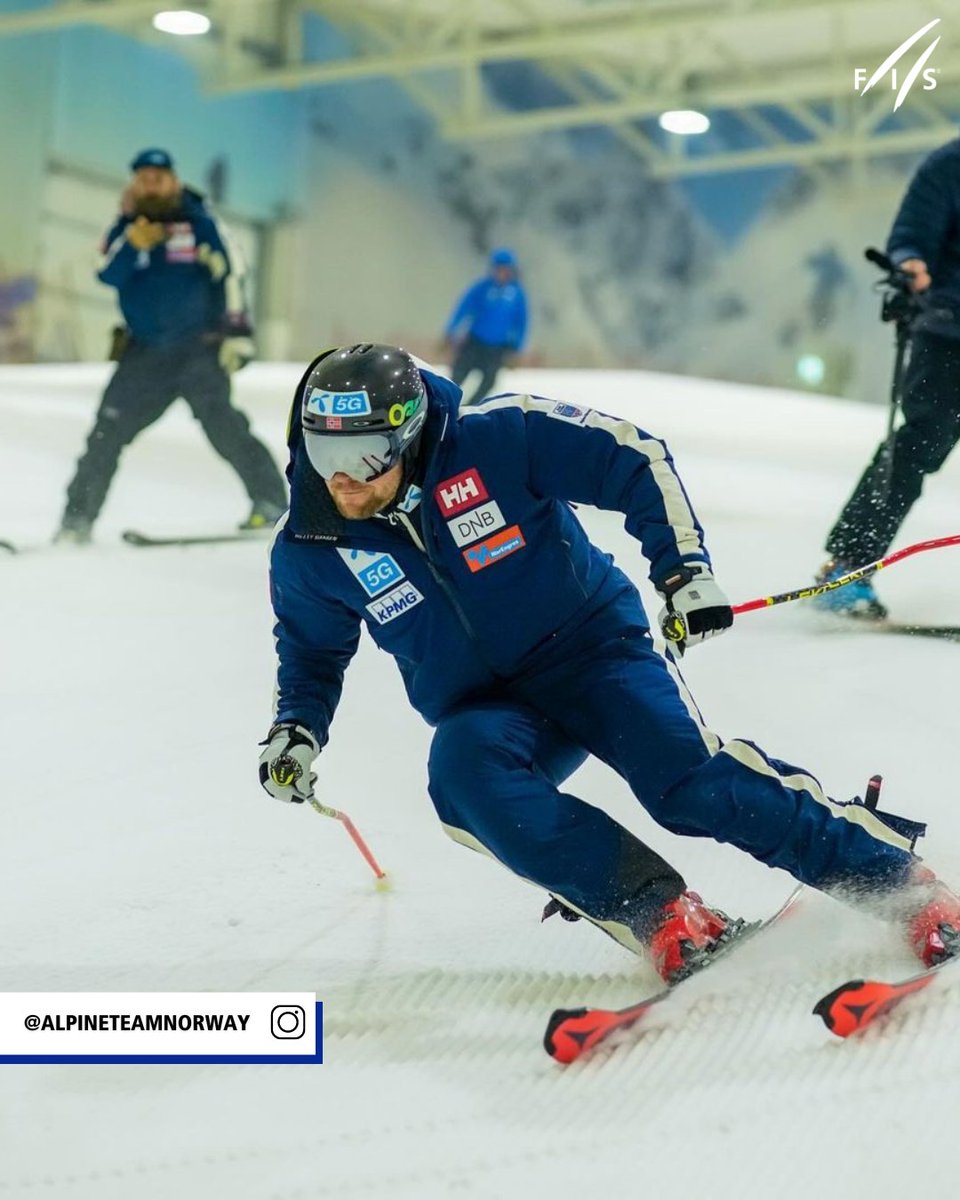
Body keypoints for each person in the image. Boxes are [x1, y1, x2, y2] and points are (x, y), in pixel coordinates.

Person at [259, 343, 960, 980]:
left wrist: (683, 571)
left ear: (409, 434)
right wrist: (297, 727)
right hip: (487, 708)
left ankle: (903, 885)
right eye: (325, 456)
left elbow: (634, 459)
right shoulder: (313, 542)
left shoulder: (500, 438)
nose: (344, 480)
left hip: (591, 652)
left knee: (686, 785)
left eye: (367, 456)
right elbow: (313, 649)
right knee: (464, 783)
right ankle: (661, 913)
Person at [55, 148, 287, 544]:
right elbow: (106, 275)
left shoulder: (200, 223)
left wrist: (238, 334)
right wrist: (132, 244)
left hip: (199, 351)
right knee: (106, 434)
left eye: (158, 177)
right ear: (135, 183)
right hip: (145, 354)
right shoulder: (126, 226)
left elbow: (233, 272)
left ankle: (271, 504)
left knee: (224, 426)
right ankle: (76, 522)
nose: (151, 184)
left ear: (173, 182)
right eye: (143, 177)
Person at [815, 138, 960, 618]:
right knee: (919, 443)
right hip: (948, 334)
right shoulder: (950, 165)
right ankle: (848, 567)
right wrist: (911, 267)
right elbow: (912, 234)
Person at [443, 248, 528, 406]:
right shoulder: (482, 287)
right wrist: (451, 330)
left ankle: (469, 408)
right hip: (475, 342)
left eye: (505, 269)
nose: (502, 272)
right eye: (499, 268)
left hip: (496, 348)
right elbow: (464, 308)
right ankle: (445, 404)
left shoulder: (517, 293)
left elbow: (522, 322)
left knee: (489, 382)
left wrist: (517, 347)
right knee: (457, 377)